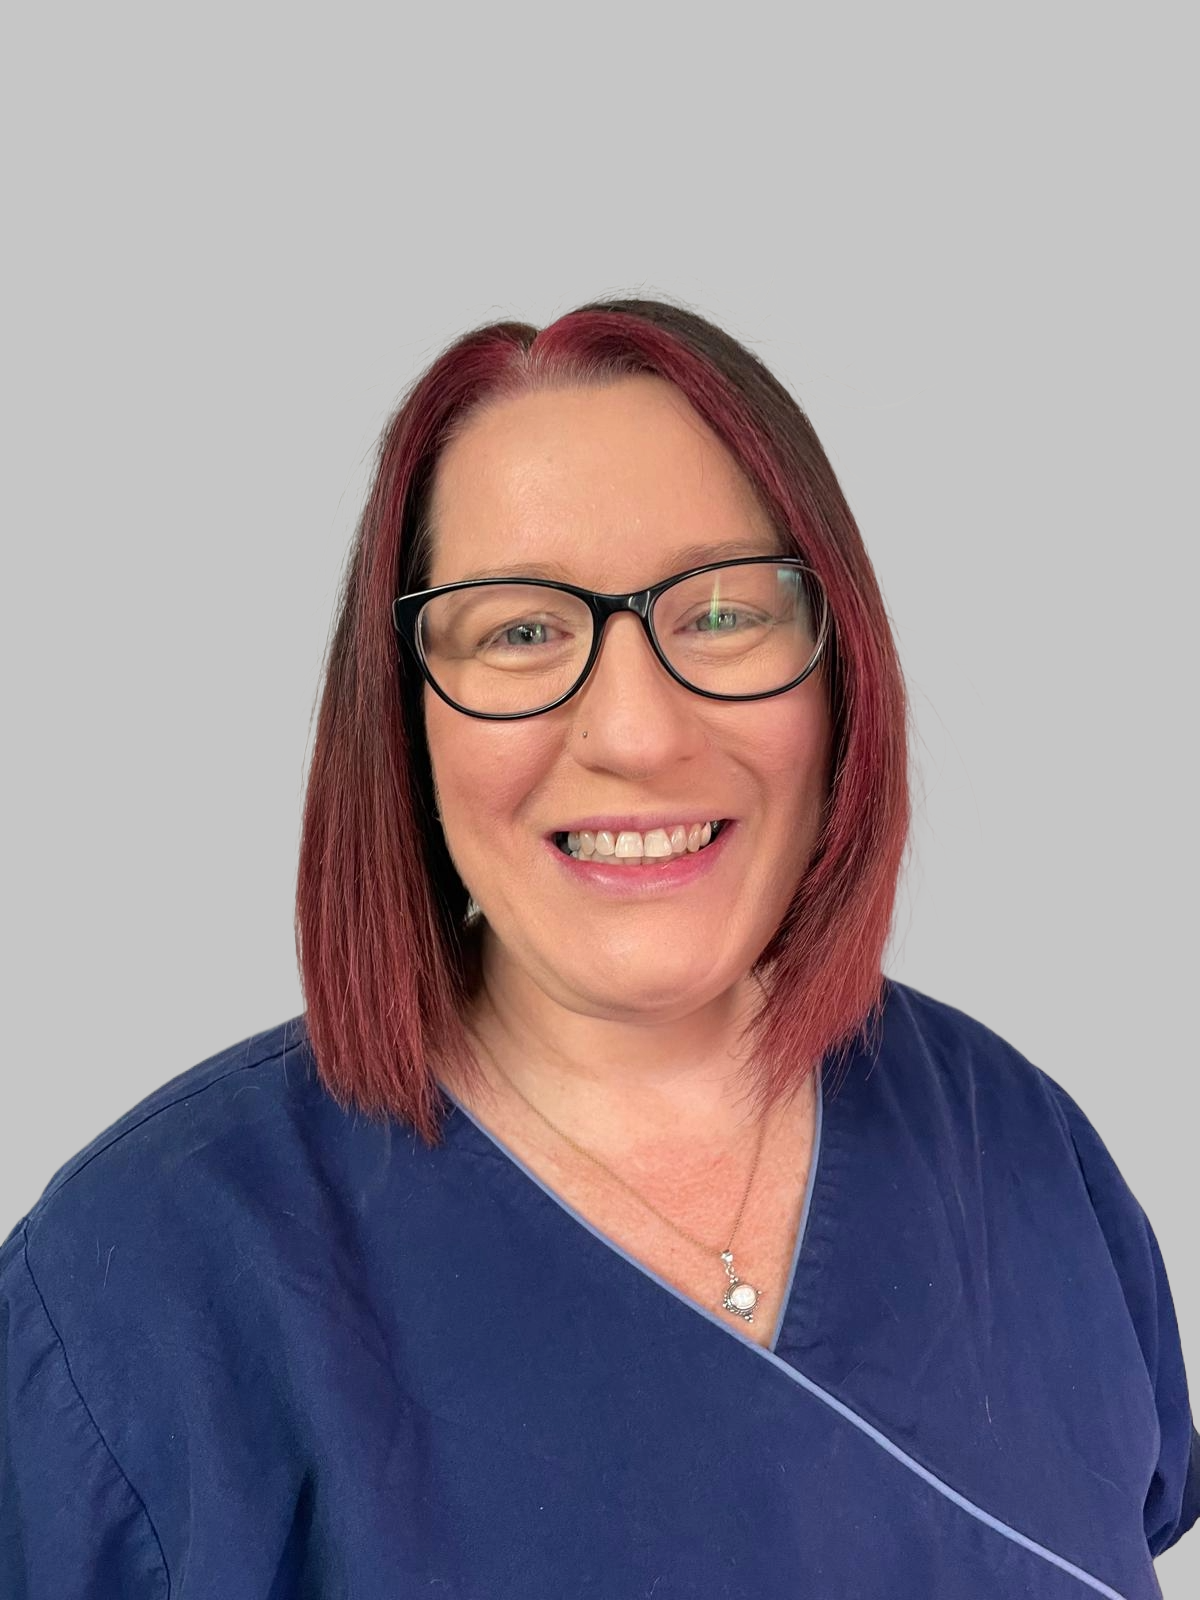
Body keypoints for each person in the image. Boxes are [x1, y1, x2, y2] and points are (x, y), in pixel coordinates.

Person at [1, 298, 1195, 1599]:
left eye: (726, 613)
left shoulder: (1029, 1158)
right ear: (400, 722)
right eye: (519, 631)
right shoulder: (137, 1289)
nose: (636, 732)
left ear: (838, 663)